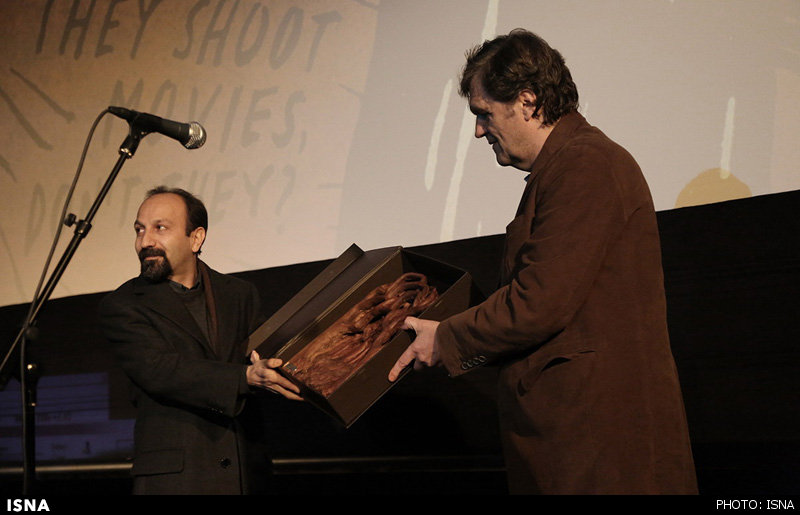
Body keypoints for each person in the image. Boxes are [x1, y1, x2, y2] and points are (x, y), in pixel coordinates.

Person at [389, 29, 698, 494]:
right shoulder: (566, 167)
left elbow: (539, 302)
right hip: (580, 441)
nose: (478, 131)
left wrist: (447, 338)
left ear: (528, 101)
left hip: (599, 445)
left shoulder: (586, 164)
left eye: (484, 113)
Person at [99, 186, 301, 495]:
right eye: (139, 230)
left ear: (196, 238)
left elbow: (263, 356)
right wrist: (245, 377)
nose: (145, 241)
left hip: (246, 473)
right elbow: (161, 370)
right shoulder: (123, 304)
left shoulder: (239, 294)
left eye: (160, 228)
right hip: (176, 479)